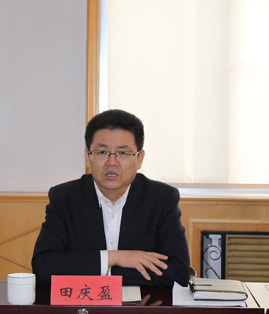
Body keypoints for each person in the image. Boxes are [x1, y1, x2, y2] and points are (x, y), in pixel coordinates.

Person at [32, 109, 190, 286]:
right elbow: (43, 266)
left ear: (139, 158)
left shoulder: (161, 199)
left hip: (142, 303)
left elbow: (178, 272)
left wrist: (102, 270)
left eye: (123, 153)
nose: (112, 162)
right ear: (88, 157)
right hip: (85, 302)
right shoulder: (64, 198)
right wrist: (114, 258)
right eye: (102, 152)